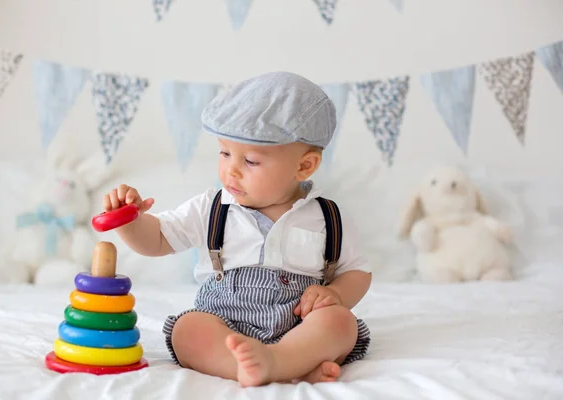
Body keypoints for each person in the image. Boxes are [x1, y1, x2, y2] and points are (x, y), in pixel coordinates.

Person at [103, 71, 372, 386]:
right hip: (223, 323)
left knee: (340, 323)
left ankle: (281, 360)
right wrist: (131, 220)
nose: (231, 169)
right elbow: (158, 239)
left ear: (304, 166)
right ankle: (270, 368)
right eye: (225, 152)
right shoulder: (212, 208)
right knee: (187, 330)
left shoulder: (328, 217)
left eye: (251, 162)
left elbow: (357, 272)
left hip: (300, 324)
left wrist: (335, 293)